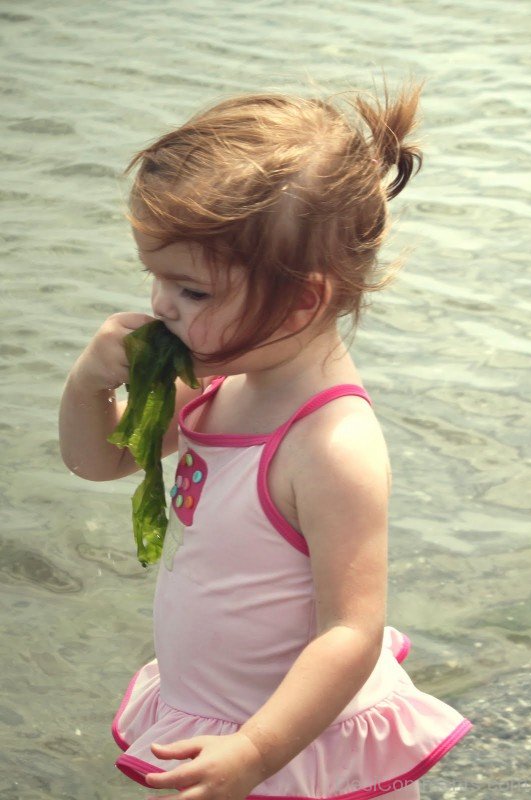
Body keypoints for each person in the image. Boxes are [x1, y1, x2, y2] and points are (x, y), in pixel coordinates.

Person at [59, 82, 472, 800]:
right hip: (221, 718)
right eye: (155, 279)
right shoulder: (216, 382)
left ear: (302, 300)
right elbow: (99, 460)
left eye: (191, 291)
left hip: (296, 749)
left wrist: (256, 751)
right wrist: (88, 383)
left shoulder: (330, 444)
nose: (160, 306)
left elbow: (350, 632)